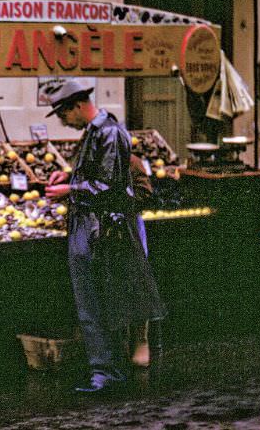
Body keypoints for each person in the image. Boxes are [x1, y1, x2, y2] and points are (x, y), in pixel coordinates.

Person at [44, 78, 165, 394]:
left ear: (79, 106)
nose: (63, 122)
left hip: (98, 230)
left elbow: (110, 188)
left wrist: (70, 189)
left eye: (63, 115)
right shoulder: (96, 133)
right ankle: (106, 370)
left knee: (95, 304)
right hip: (91, 227)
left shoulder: (109, 133)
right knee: (94, 304)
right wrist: (70, 176)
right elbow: (100, 176)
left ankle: (106, 373)